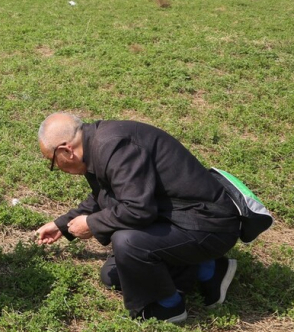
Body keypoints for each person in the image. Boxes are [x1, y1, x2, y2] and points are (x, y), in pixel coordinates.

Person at [35, 112, 240, 324]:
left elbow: (139, 210)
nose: (57, 168)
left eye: (52, 163)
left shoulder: (113, 147)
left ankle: (169, 308)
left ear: (66, 150)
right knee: (112, 275)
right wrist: (62, 225)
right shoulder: (96, 144)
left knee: (127, 243)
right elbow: (105, 195)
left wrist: (91, 223)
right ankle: (210, 270)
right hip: (183, 219)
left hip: (209, 225)